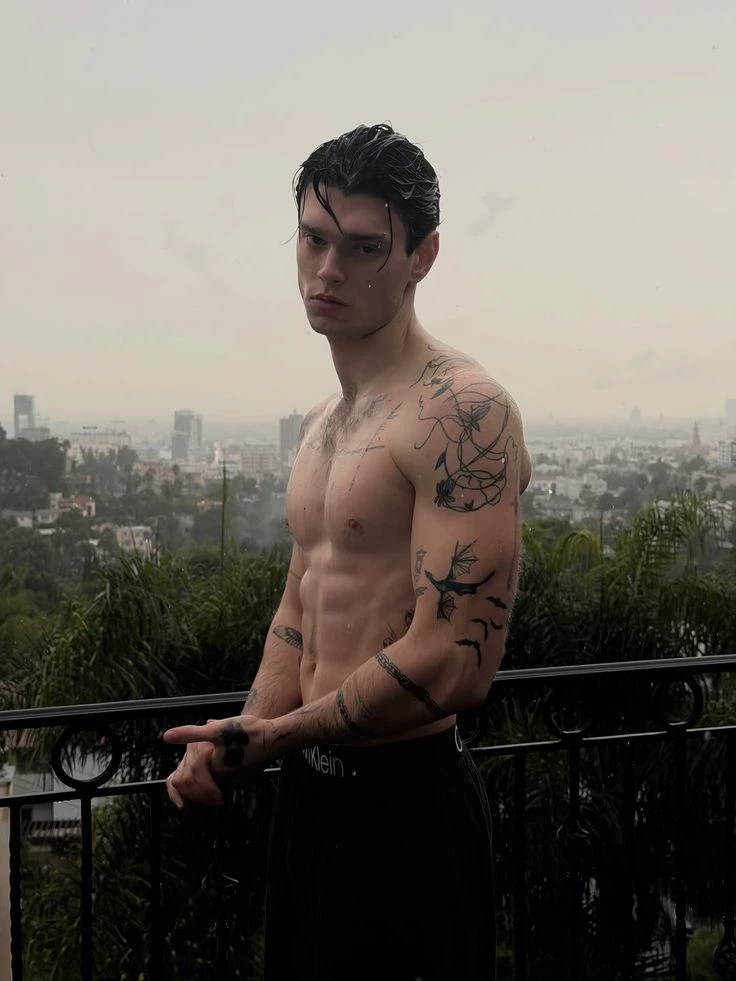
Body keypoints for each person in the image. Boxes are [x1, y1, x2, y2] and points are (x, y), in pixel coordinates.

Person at [165, 122, 531, 980]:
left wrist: (273, 737)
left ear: (422, 256)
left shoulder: (463, 412)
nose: (328, 270)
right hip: (308, 802)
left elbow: (455, 663)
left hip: (409, 810)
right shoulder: (323, 423)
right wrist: (238, 733)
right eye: (313, 240)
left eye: (365, 247)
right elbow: (299, 606)